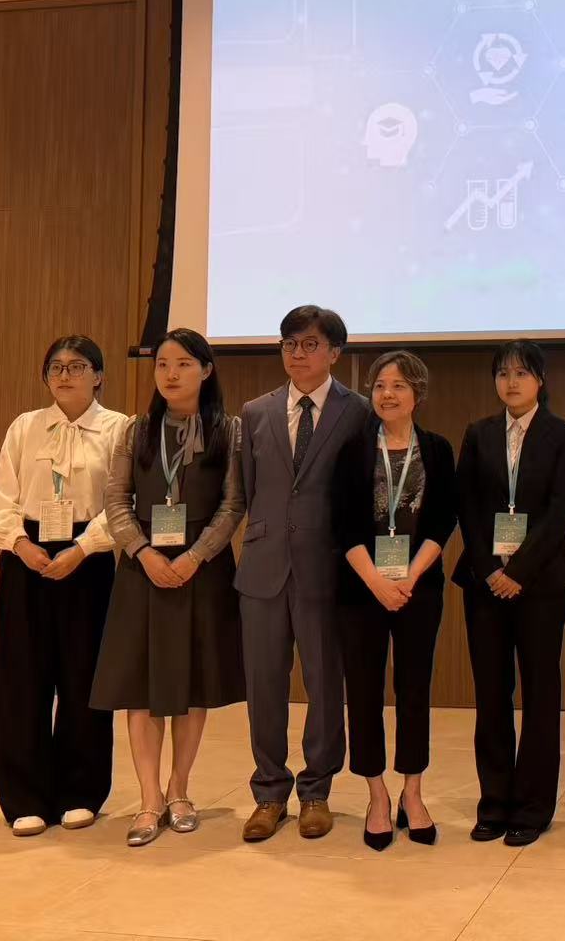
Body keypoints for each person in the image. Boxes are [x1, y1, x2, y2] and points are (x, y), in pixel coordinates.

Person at [91, 328, 247, 847]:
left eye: (183, 363)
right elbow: (116, 500)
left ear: (206, 370)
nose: (171, 374)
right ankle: (149, 797)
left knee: (192, 682)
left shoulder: (230, 430)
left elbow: (233, 504)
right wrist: (144, 552)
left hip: (204, 570)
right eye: (162, 364)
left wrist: (196, 556)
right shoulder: (136, 430)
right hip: (143, 568)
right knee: (141, 686)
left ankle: (180, 789)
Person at [0, 335, 130, 837]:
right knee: (21, 677)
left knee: (83, 678)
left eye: (78, 366)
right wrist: (19, 545)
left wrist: (83, 550)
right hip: (26, 553)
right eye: (56, 367)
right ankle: (24, 796)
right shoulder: (25, 426)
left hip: (88, 558)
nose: (65, 375)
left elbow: (122, 502)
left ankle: (81, 790)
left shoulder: (118, 428)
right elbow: (2, 499)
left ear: (99, 376)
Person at [236, 305, 370, 843]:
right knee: (264, 685)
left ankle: (317, 790)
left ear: (335, 352)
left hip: (326, 568)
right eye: (289, 343)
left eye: (310, 344)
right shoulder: (255, 411)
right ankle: (269, 792)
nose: (298, 353)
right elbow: (247, 489)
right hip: (263, 568)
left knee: (324, 683)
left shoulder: (358, 412)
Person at [454, 340, 565, 847]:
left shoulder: (562, 434)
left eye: (522, 373)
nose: (511, 382)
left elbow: (559, 509)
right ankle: (494, 803)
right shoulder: (478, 433)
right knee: (491, 695)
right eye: (503, 373)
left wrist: (519, 571)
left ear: (540, 381)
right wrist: (490, 569)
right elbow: (467, 506)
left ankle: (533, 807)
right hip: (484, 585)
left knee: (541, 695)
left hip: (540, 583)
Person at [330, 351, 458, 851]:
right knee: (363, 691)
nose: (387, 394)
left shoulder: (438, 449)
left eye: (399, 385)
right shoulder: (353, 449)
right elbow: (343, 524)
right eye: (380, 385)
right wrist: (377, 582)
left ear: (417, 394)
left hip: (418, 590)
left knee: (414, 689)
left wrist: (407, 577)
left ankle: (413, 792)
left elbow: (443, 520)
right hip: (360, 591)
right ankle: (377, 795)